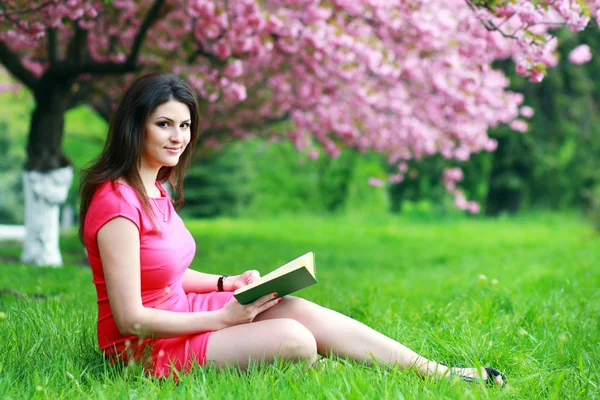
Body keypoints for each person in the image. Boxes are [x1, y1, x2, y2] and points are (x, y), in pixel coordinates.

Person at [79, 73, 505, 386]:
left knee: (294, 308)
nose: (178, 137)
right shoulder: (117, 203)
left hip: (182, 314)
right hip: (142, 349)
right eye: (164, 124)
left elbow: (164, 272)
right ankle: (330, 367)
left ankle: (441, 374)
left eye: (185, 125)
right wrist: (224, 318)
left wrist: (228, 283)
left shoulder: (156, 187)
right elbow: (130, 318)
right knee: (294, 340)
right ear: (136, 126)